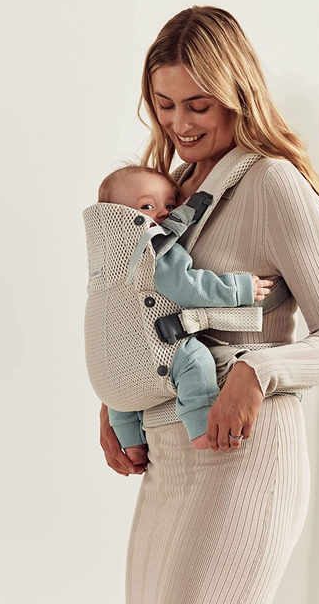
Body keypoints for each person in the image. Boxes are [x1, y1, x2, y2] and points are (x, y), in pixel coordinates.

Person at [98, 6, 319, 604]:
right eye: (165, 104)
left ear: (236, 96)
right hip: (168, 459)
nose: (179, 124)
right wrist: (120, 393)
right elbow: (139, 311)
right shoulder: (167, 193)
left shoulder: (272, 183)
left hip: (247, 457)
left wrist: (257, 370)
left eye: (198, 105)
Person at [94, 163, 273, 459]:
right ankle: (201, 425)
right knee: (195, 359)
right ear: (118, 215)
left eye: (170, 205)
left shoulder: (104, 257)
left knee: (123, 392)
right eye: (147, 206)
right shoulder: (153, 248)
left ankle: (131, 442)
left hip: (114, 357)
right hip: (156, 348)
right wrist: (238, 288)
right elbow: (187, 285)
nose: (163, 213)